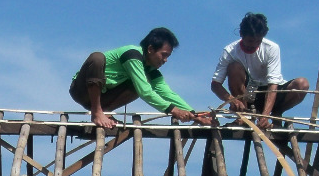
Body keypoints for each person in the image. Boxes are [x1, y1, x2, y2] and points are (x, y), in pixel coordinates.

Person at [69, 28, 214, 130]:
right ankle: (97, 113)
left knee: (140, 84)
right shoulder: (132, 54)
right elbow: (145, 92)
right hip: (82, 90)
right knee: (97, 57)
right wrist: (172, 110)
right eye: (163, 55)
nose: (165, 60)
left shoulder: (151, 70)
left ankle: (103, 111)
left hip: (105, 98)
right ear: (150, 49)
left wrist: (194, 115)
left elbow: (168, 93)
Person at [210, 12, 309, 130]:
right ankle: (244, 115)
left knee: (302, 84)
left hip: (272, 94)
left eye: (258, 41)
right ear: (241, 34)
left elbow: (273, 85)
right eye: (251, 41)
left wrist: (265, 117)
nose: (254, 45)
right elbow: (215, 85)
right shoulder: (230, 51)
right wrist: (232, 100)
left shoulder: (271, 48)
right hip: (249, 95)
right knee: (234, 67)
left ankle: (276, 113)